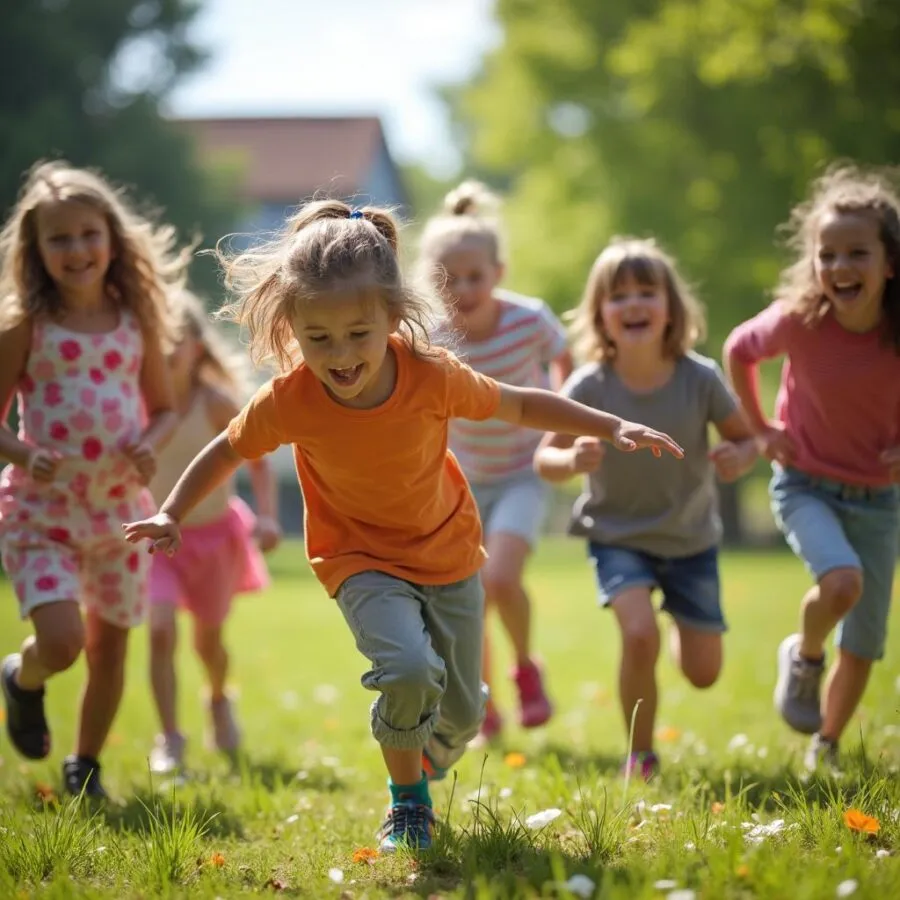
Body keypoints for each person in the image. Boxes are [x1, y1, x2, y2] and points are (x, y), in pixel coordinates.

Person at [122, 200, 682, 852]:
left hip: (447, 549)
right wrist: (171, 512)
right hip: (357, 557)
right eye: (318, 338)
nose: (340, 355)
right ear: (291, 328)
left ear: (392, 316)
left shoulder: (431, 376)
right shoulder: (289, 400)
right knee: (409, 670)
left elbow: (522, 403)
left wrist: (610, 423)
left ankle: (422, 751)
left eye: (359, 333)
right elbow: (226, 449)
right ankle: (408, 804)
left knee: (465, 713)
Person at [535, 237, 756, 781]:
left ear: (671, 309)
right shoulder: (589, 384)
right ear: (600, 316)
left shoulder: (699, 377)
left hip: (689, 538)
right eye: (619, 296)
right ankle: (642, 754)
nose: (633, 304)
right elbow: (545, 458)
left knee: (703, 674)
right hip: (617, 535)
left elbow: (747, 439)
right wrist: (571, 459)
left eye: (646, 292)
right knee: (638, 636)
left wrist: (737, 456)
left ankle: (683, 622)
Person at [0, 159, 186, 797]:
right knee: (64, 641)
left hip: (118, 513)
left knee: (111, 649)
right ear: (36, 249)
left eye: (88, 234)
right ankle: (23, 679)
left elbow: (164, 410)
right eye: (60, 238)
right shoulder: (27, 322)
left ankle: (86, 768)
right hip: (41, 513)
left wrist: (148, 444)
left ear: (111, 237)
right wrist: (22, 455)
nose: (77, 249)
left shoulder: (136, 318)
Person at [724, 164, 900, 772]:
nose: (840, 268)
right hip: (806, 484)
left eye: (857, 253)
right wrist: (760, 429)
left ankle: (825, 747)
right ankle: (804, 655)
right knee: (842, 584)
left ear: (889, 263)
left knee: (866, 643)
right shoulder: (800, 318)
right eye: (827, 254)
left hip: (879, 498)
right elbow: (739, 351)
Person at [418, 180, 573, 743]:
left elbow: (567, 362)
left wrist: (558, 430)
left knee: (501, 577)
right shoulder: (430, 338)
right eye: (449, 279)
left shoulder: (529, 319)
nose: (463, 288)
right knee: (466, 603)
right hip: (459, 481)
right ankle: (483, 706)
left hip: (523, 472)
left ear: (498, 272)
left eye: (475, 277)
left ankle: (526, 668)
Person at [147, 291, 281, 775]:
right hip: (158, 542)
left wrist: (267, 516)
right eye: (154, 342)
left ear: (197, 347)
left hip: (213, 540)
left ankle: (219, 698)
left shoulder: (216, 403)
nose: (164, 352)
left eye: (174, 341)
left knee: (208, 643)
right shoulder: (139, 407)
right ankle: (170, 738)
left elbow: (258, 458)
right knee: (160, 633)